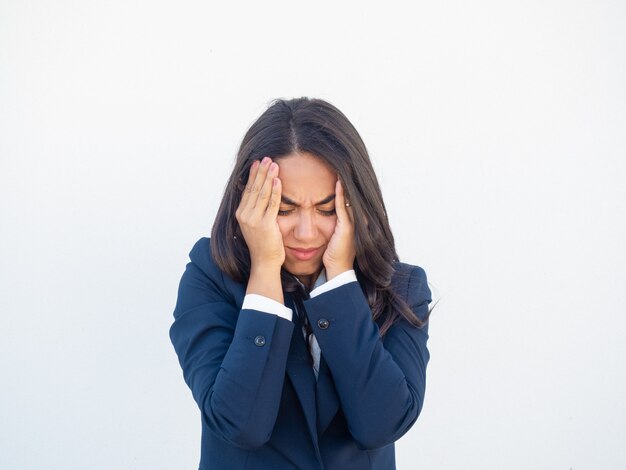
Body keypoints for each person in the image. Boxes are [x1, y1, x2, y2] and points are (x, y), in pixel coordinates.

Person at [169, 97, 432, 470]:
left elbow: (382, 424)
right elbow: (240, 425)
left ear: (357, 205)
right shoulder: (209, 278)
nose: (306, 233)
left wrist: (339, 279)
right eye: (284, 209)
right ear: (249, 201)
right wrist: (264, 272)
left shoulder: (401, 288)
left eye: (327, 210)